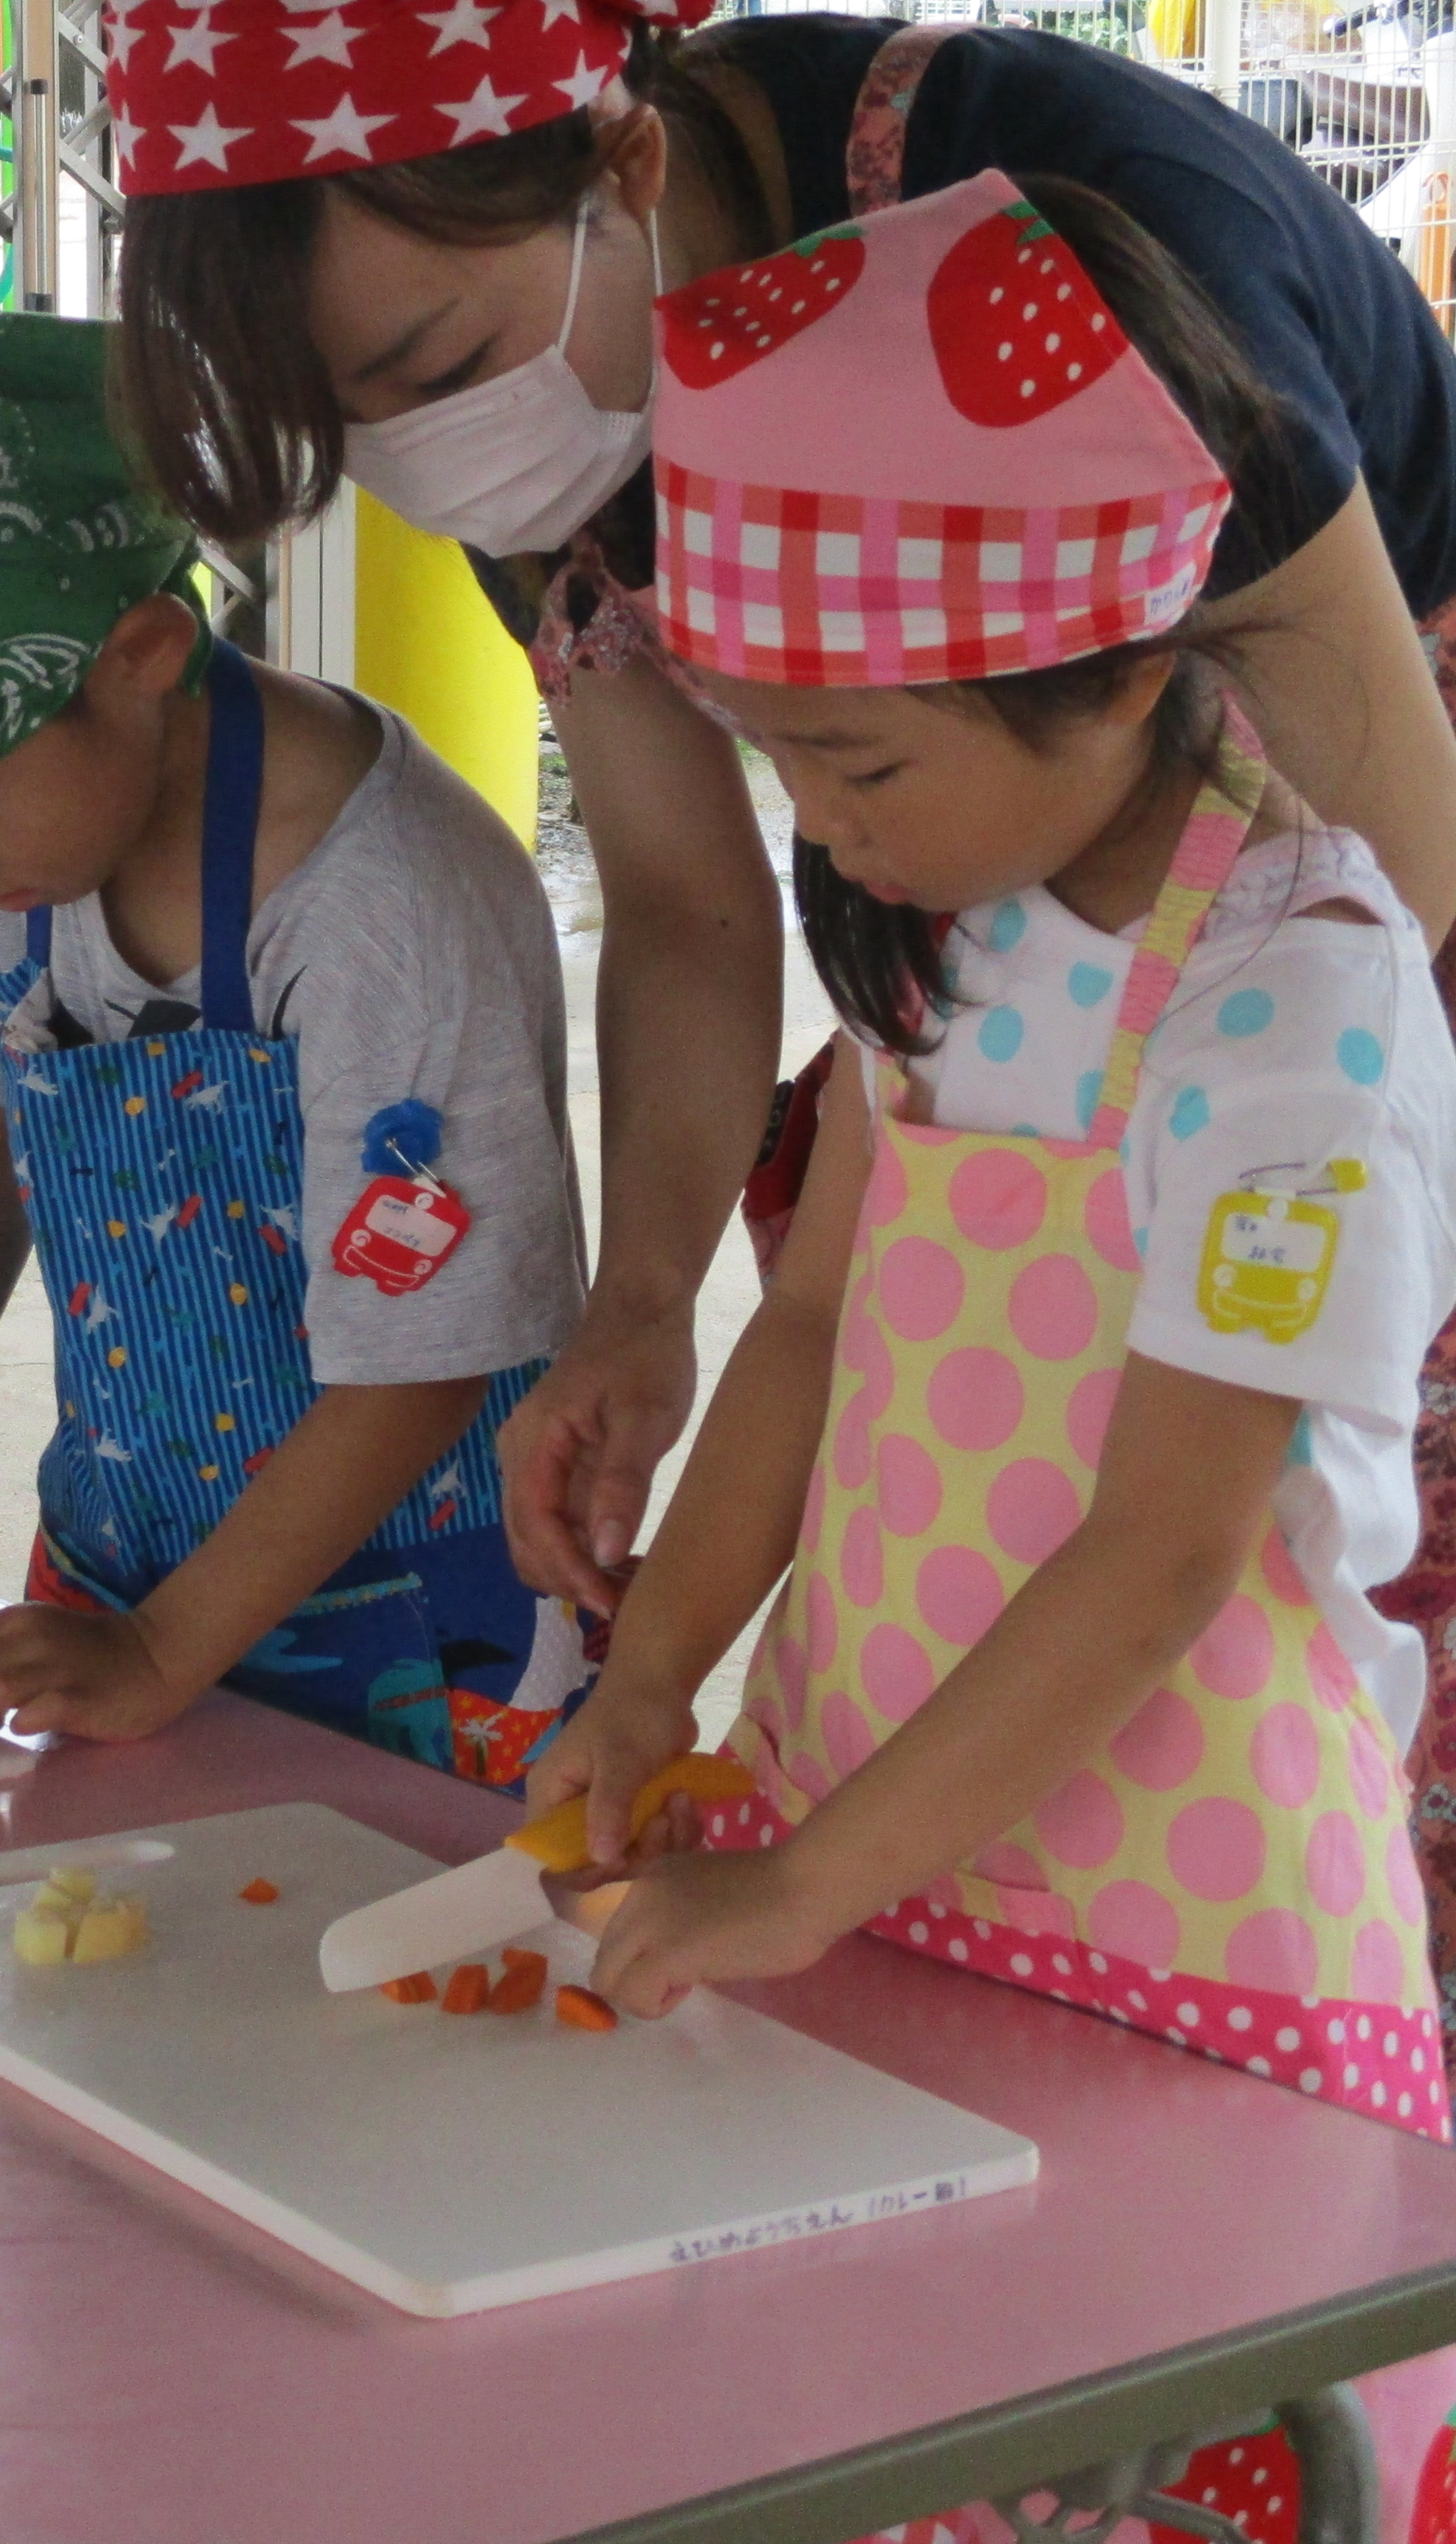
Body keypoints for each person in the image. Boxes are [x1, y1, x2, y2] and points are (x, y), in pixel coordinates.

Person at [95, 0, 1456, 2003]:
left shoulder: (1078, 264)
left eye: (432, 372)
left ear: (625, 164)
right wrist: (647, 1313)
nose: (420, 459)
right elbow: (690, 917)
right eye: (339, 427)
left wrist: (1166, 1185)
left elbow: (1394, 861)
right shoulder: (947, 922)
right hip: (1050, 900)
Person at [0, 254, 594, 1768]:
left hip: (423, 1623)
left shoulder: (384, 905)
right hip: (127, 1572)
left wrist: (164, 1652)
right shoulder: (30, 846)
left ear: (140, 657)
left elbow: (422, 1361)